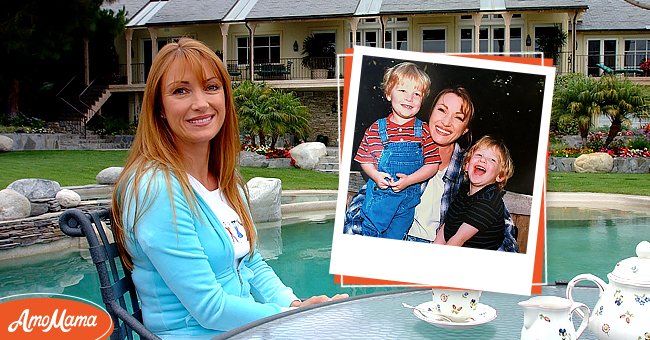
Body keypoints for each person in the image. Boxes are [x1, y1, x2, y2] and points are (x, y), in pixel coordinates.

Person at [111, 38, 346, 339]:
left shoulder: (225, 180)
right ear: (159, 108)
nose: (200, 103)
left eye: (211, 87)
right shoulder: (155, 189)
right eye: (181, 91)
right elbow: (209, 307)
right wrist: (293, 318)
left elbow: (251, 262)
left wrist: (293, 303)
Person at [345, 87, 518, 252]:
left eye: (458, 117)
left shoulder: (469, 168)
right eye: (442, 110)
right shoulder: (403, 150)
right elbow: (367, 198)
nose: (446, 122)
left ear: (465, 129)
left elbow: (501, 224)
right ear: (430, 113)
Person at [354, 62, 441, 239]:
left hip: (405, 206)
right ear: (388, 94)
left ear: (422, 100)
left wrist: (410, 180)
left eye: (416, 94)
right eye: (402, 91)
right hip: (378, 203)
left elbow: (433, 165)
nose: (409, 98)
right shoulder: (376, 129)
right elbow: (364, 159)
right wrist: (376, 176)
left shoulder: (423, 131)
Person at [433, 135, 514, 250]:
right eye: (479, 155)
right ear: (466, 165)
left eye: (492, 160)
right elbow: (446, 227)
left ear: (500, 176)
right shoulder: (464, 190)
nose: (482, 160)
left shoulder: (489, 201)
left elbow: (458, 240)